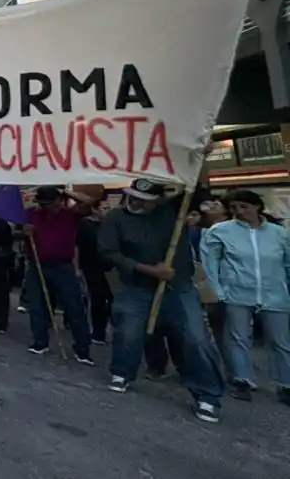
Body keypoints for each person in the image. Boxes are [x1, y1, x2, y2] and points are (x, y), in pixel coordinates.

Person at [99, 179, 227, 423]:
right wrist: (148, 270)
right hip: (135, 286)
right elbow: (109, 253)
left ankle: (208, 395)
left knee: (195, 338)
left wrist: (200, 163)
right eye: (133, 196)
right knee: (128, 332)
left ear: (158, 200)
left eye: (144, 200)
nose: (136, 202)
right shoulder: (115, 218)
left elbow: (199, 188)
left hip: (179, 287)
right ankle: (122, 371)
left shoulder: (174, 209)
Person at [200, 189, 290, 406]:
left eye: (244, 206)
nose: (239, 212)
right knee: (238, 338)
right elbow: (210, 263)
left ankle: (286, 384)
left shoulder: (279, 233)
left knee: (280, 341)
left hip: (274, 293)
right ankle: (241, 381)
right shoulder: (220, 231)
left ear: (257, 206)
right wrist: (219, 291)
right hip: (236, 292)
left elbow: (287, 264)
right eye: (234, 208)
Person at [22, 187, 93, 363]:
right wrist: (24, 231)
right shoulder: (31, 214)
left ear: (59, 201)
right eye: (44, 204)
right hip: (38, 265)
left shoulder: (70, 214)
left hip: (63, 267)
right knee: (37, 306)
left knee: (74, 307)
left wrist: (66, 192)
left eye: (51, 204)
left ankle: (82, 349)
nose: (48, 208)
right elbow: (16, 231)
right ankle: (40, 342)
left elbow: (89, 201)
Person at [76, 199, 114, 345]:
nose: (107, 210)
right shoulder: (84, 224)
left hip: (108, 268)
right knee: (95, 299)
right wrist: (77, 267)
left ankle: (110, 329)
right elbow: (77, 246)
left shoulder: (109, 225)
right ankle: (97, 332)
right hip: (90, 266)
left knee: (110, 299)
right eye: (104, 207)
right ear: (94, 209)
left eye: (108, 207)